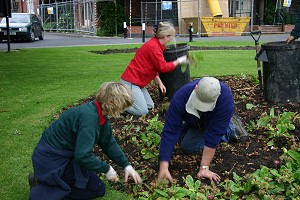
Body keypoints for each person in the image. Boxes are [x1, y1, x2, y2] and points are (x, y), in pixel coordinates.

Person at [28, 82, 142, 200]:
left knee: (98, 188)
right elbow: (82, 155)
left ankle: (46, 180)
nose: (122, 110)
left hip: (64, 157)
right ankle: (42, 186)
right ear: (112, 103)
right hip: (51, 160)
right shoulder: (90, 121)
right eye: (122, 106)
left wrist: (126, 165)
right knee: (95, 190)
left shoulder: (98, 111)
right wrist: (106, 169)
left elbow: (108, 142)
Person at [157, 77, 249, 183]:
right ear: (195, 88)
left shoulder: (225, 99)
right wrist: (163, 166)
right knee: (179, 137)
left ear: (217, 96)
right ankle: (221, 123)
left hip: (212, 121)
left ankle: (231, 128)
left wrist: (204, 168)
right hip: (194, 120)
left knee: (187, 147)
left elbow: (213, 135)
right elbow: (170, 130)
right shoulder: (182, 96)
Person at [120, 21, 189, 116]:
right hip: (131, 82)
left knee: (150, 106)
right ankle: (120, 104)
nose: (171, 39)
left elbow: (153, 67)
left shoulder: (156, 45)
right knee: (142, 111)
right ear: (164, 35)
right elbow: (163, 68)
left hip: (138, 83)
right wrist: (180, 60)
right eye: (170, 36)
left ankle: (130, 102)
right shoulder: (154, 47)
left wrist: (160, 83)